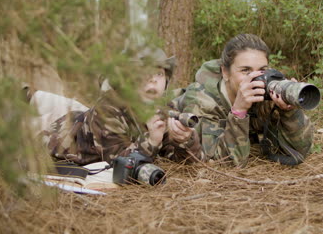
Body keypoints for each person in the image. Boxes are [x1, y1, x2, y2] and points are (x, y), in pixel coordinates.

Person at [30, 47, 203, 166]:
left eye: (159, 73)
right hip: (51, 142)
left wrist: (184, 140)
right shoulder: (107, 110)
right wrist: (151, 142)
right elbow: (117, 165)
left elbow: (186, 163)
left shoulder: (164, 107)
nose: (153, 79)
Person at [172, 33, 314, 167]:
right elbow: (219, 162)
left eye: (262, 70)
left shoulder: (264, 92)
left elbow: (301, 150)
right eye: (245, 70)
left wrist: (289, 112)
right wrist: (239, 111)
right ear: (225, 72)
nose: (255, 78)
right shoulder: (202, 102)